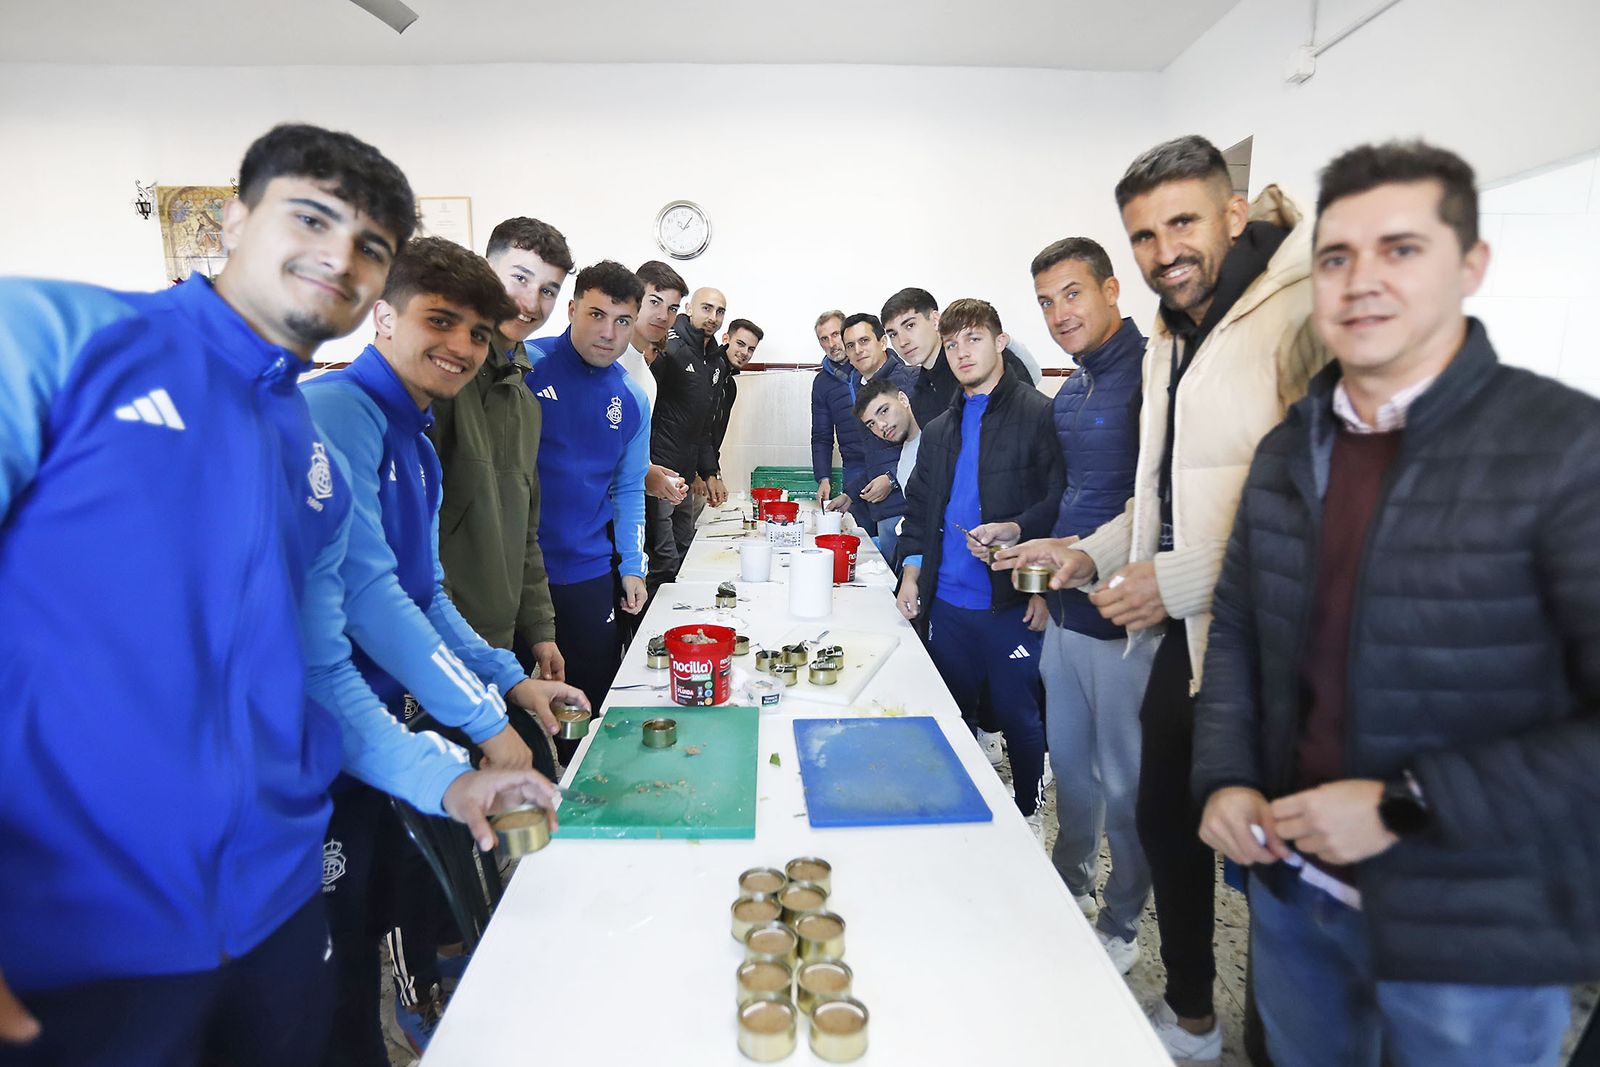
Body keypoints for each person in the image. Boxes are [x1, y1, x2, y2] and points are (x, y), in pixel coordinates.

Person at [0, 123, 556, 1066]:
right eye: (312, 216)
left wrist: (447, 776)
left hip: (277, 912)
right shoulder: (59, 337)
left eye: (371, 246)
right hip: (75, 940)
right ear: (235, 216)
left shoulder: (309, 449)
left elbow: (320, 669)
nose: (340, 257)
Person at [1196, 140, 1600, 1067]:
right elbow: (1240, 642)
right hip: (1296, 894)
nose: (1361, 280)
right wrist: (1223, 776)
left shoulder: (1564, 449)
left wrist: (1404, 804)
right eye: (1337, 256)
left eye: (1401, 249)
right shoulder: (1288, 452)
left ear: (1471, 265)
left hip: (1473, 926)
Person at [996, 134, 1328, 1061]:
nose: (1163, 249)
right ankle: (1194, 1017)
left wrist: (1166, 579)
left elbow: (1324, 506)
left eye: (1181, 222)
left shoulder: (1303, 313)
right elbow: (1158, 496)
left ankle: (1262, 1038)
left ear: (1232, 213)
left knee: (1276, 877)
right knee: (1167, 820)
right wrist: (1086, 554)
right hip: (1184, 626)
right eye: (1143, 233)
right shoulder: (1174, 335)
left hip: (1274, 640)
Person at [302, 236, 588, 1064]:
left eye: (475, 332)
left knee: (384, 915)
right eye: (441, 322)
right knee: (332, 968)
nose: (462, 347)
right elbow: (367, 599)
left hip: (382, 728)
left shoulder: (418, 443)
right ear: (382, 316)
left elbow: (427, 596)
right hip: (313, 737)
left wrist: (507, 681)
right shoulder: (335, 412)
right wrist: (485, 720)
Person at [894, 299, 1063, 838]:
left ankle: (1030, 811)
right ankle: (960, 810)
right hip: (948, 602)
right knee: (954, 711)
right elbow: (920, 508)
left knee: (1019, 716)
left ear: (1000, 341)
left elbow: (1057, 506)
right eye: (953, 343)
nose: (962, 352)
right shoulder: (940, 429)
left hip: (1010, 602)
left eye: (973, 339)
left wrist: (1041, 590)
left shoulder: (1039, 414)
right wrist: (913, 575)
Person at [1028, 237, 1151, 971]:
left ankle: (1125, 919)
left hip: (1130, 616)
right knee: (1070, 769)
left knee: (1127, 782)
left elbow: (1153, 506)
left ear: (1111, 290)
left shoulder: (1153, 378)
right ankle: (1068, 883)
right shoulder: (1073, 390)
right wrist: (1035, 544)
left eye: (1072, 293)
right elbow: (1072, 497)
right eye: (1045, 300)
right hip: (1068, 607)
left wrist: (1080, 549)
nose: (1059, 312)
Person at [427, 216, 569, 740]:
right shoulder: (440, 383)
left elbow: (524, 530)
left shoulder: (526, 404)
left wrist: (540, 627)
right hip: (432, 642)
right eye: (520, 277)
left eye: (549, 289)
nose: (531, 302)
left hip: (499, 645)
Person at [527, 261, 651, 716]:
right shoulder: (523, 366)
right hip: (516, 576)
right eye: (596, 315)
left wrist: (633, 567)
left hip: (587, 576)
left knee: (588, 705)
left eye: (623, 321)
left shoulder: (633, 400)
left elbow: (630, 490)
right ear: (572, 309)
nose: (609, 333)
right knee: (511, 714)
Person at [881, 287, 1036, 431]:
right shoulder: (919, 396)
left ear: (935, 320)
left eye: (910, 325)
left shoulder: (981, 361)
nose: (902, 342)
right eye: (893, 334)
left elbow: (1027, 416)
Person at [626, 261, 692, 595]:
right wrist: (644, 474)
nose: (663, 315)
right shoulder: (609, 361)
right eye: (654, 301)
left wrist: (649, 471)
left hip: (624, 519)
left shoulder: (645, 377)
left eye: (672, 308)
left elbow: (625, 452)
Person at [649, 285, 726, 573]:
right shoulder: (669, 346)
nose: (713, 317)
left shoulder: (713, 358)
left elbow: (703, 424)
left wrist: (709, 472)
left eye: (719, 311)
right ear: (689, 309)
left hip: (685, 474)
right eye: (706, 308)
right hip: (658, 473)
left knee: (684, 553)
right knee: (663, 560)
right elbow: (647, 407)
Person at [841, 312, 919, 557]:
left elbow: (928, 448)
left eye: (864, 341)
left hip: (909, 506)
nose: (858, 350)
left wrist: (892, 479)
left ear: (882, 342)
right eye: (850, 346)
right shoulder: (860, 386)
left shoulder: (909, 382)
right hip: (884, 509)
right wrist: (851, 494)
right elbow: (876, 456)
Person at [810, 308, 870, 524]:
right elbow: (821, 436)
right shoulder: (822, 383)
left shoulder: (868, 366)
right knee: (859, 531)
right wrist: (823, 478)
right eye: (824, 339)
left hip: (887, 462)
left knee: (889, 530)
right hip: (854, 465)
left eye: (836, 334)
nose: (832, 343)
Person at [850, 376, 920, 556]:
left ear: (903, 399)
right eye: (871, 424)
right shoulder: (905, 458)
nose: (881, 426)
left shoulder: (937, 440)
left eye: (884, 411)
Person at [703, 318, 763, 492]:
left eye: (751, 349)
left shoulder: (730, 386)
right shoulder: (708, 371)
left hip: (705, 467)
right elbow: (696, 428)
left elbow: (715, 437)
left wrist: (716, 473)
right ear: (725, 339)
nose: (745, 352)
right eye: (740, 344)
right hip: (687, 469)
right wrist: (702, 474)